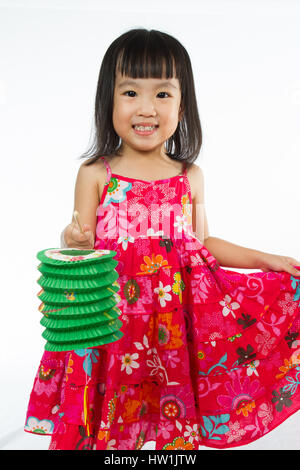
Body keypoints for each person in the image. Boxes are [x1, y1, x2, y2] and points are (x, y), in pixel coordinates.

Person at [24, 28, 300, 450]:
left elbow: (202, 245)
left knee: (168, 426)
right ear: (108, 101)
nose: (146, 108)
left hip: (170, 326)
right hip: (112, 327)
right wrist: (72, 236)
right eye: (130, 93)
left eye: (163, 94)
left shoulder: (189, 177)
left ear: (182, 105)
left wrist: (265, 260)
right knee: (111, 429)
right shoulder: (97, 174)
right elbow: (79, 248)